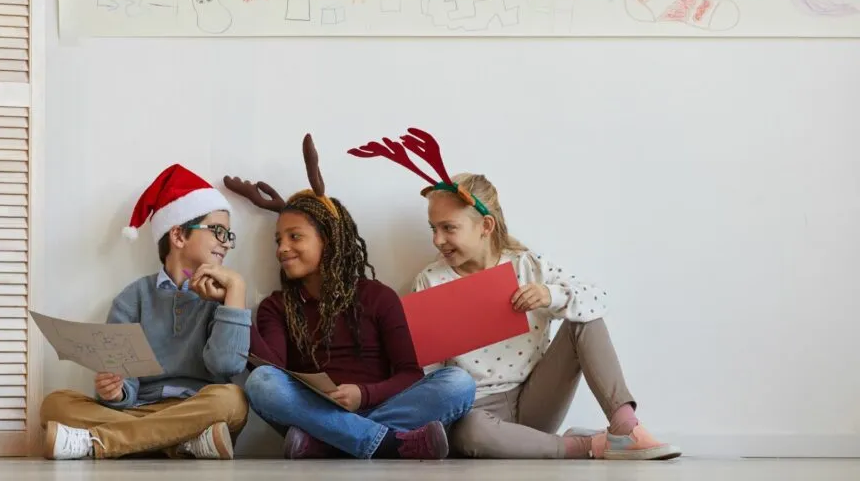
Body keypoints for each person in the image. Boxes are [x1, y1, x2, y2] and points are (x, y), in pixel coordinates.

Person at [348, 127, 681, 461]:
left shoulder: (526, 267)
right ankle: (587, 446)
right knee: (470, 432)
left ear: (486, 226)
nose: (437, 240)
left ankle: (625, 428)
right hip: (475, 412)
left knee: (583, 319)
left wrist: (550, 296)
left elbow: (598, 298)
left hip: (536, 398)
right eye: (433, 229)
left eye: (449, 228)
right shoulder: (430, 281)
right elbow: (429, 375)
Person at [223, 134, 476, 460]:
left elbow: (409, 374)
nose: (282, 248)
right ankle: (386, 443)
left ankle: (328, 441)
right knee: (262, 383)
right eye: (278, 240)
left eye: (295, 236)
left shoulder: (378, 297)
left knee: (458, 383)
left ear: (328, 240)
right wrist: (234, 299)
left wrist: (363, 395)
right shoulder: (277, 306)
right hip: (312, 407)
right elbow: (274, 370)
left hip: (374, 405)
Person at [39, 164, 252, 460]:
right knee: (55, 404)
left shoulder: (225, 296)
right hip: (141, 411)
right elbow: (123, 380)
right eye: (218, 231)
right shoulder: (133, 298)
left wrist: (236, 289)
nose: (226, 243)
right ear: (178, 235)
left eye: (229, 235)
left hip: (199, 408)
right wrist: (114, 391)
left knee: (233, 399)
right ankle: (180, 443)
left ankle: (99, 442)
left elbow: (226, 366)